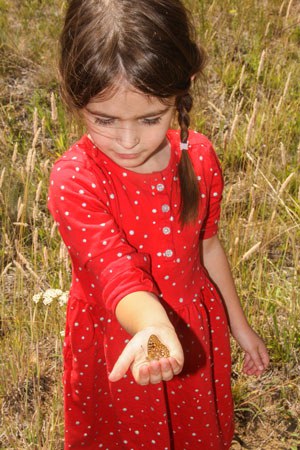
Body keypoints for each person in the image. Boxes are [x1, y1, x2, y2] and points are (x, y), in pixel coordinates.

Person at [48, 1, 270, 448]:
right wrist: (152, 327)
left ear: (182, 90)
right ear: (74, 96)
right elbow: (116, 275)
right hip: (124, 347)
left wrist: (238, 325)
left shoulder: (199, 156)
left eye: (150, 119)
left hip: (194, 336)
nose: (128, 141)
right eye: (103, 119)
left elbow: (208, 249)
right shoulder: (75, 179)